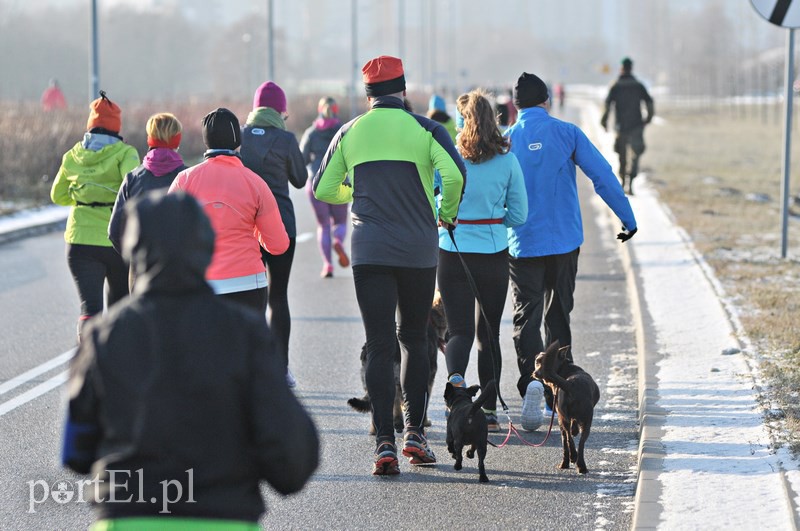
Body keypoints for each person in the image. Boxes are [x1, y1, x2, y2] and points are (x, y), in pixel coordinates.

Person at [62, 191, 319, 529]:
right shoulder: (244, 332)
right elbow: (293, 460)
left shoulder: (103, 336)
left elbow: (76, 452)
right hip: (223, 515)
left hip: (126, 518)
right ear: (206, 246)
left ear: (133, 250)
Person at [313, 55, 466, 475]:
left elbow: (322, 188)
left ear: (367, 94)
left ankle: (384, 442)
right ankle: (415, 432)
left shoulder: (350, 131)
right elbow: (453, 176)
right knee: (414, 338)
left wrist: (356, 194)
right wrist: (446, 211)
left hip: (369, 250)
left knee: (380, 343)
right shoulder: (426, 129)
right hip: (417, 249)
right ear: (402, 89)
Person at [505, 72, 637, 431]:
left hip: (521, 243)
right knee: (558, 314)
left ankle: (532, 383)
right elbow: (603, 175)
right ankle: (559, 391)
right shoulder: (567, 133)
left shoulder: (506, 140)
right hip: (563, 242)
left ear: (516, 105)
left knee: (525, 317)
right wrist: (627, 218)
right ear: (547, 99)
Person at [437, 89, 527, 433]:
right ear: (495, 121)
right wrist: (493, 219)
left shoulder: (449, 157)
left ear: (462, 123)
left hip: (452, 250)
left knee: (457, 332)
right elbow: (519, 214)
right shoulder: (507, 161)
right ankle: (488, 408)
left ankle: (458, 398)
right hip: (492, 254)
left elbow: (434, 200)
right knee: (488, 333)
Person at [168, 108, 289, 315]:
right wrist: (255, 231)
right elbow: (278, 246)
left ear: (206, 141)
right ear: (237, 141)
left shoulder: (184, 180)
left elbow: (167, 234)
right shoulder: (255, 183)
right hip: (249, 283)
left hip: (200, 283)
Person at [50, 90, 140, 342]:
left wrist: (83, 198)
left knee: (90, 309)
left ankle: (89, 361)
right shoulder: (125, 154)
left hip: (79, 240)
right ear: (116, 126)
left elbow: (57, 196)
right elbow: (132, 188)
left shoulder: (73, 155)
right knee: (122, 305)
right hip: (116, 241)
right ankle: (119, 361)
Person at [240, 81, 307, 388]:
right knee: (277, 298)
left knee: (249, 299)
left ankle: (249, 367)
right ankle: (280, 369)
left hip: (244, 227)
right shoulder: (285, 138)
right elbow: (300, 179)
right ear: (281, 111)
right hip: (281, 225)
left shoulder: (238, 137)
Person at [109, 112, 186, 288]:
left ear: (149, 139)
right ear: (177, 140)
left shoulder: (133, 179)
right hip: (181, 272)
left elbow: (114, 230)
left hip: (140, 274)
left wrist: (135, 256)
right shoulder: (188, 177)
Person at [299, 97, 350, 278]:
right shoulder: (344, 130)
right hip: (339, 182)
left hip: (316, 183)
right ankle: (338, 240)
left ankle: (327, 265)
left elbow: (302, 159)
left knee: (323, 225)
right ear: (336, 110)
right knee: (341, 222)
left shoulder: (311, 133)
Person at [600, 57, 654, 195]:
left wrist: (604, 121)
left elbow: (607, 105)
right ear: (631, 68)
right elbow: (649, 101)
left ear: (621, 68)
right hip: (636, 125)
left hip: (621, 126)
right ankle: (631, 182)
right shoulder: (638, 85)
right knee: (635, 155)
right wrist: (648, 117)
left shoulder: (616, 85)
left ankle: (624, 180)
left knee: (621, 155)